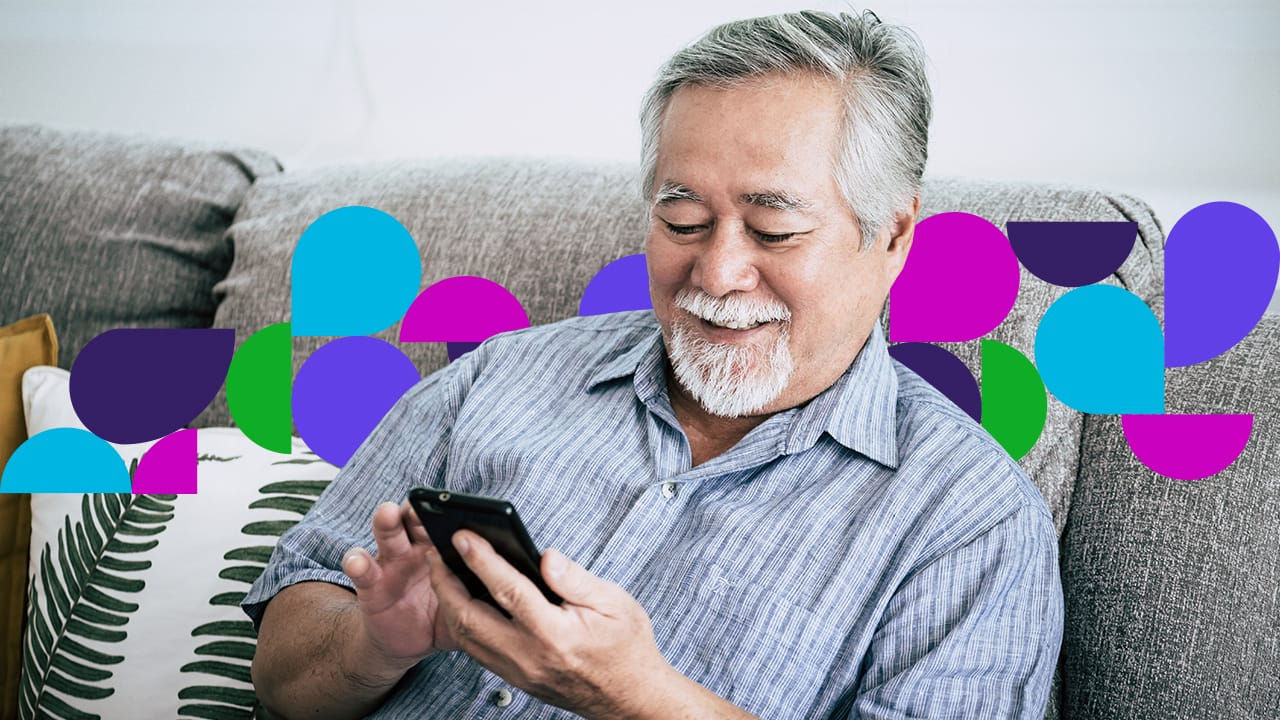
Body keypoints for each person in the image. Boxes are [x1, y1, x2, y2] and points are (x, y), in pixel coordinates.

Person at [243, 9, 1063, 719]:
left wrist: (638, 698)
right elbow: (284, 672)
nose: (715, 274)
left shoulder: (971, 527)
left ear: (892, 235)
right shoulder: (499, 379)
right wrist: (374, 643)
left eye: (773, 231)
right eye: (682, 220)